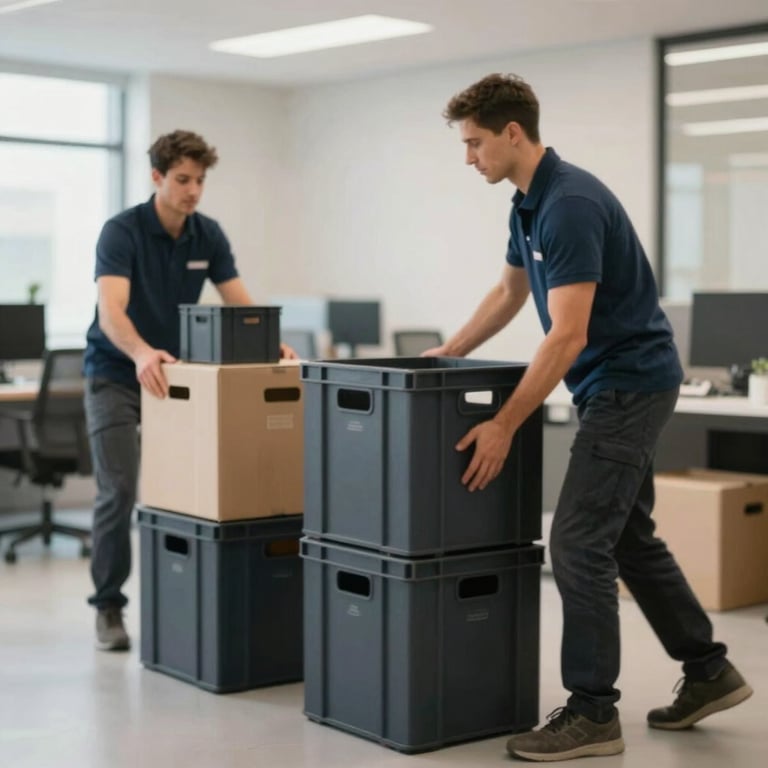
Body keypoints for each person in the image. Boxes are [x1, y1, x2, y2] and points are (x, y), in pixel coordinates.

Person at [435, 74, 752, 762]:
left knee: (578, 542)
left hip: (627, 386)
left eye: (475, 143)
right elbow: (509, 292)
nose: (469, 158)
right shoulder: (528, 204)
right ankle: (708, 671)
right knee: (627, 537)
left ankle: (592, 712)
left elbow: (567, 335)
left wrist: (504, 423)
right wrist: (449, 352)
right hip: (618, 383)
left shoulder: (570, 205)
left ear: (512, 132)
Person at [83, 129, 296, 652]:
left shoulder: (207, 235)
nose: (193, 190)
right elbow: (111, 310)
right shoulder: (122, 232)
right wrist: (140, 353)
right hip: (116, 373)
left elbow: (240, 303)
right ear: (157, 177)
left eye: (200, 180)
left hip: (175, 378)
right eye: (182, 179)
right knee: (119, 489)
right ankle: (108, 606)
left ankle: (182, 596)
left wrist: (271, 343)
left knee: (189, 487)